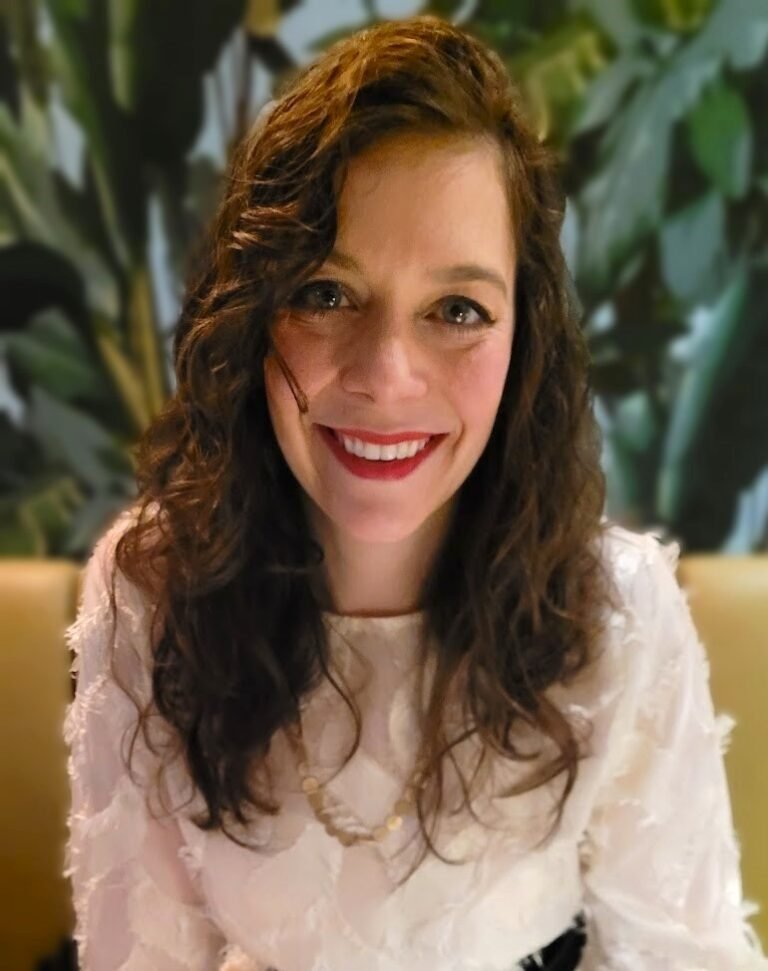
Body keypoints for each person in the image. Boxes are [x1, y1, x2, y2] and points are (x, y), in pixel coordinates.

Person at [63, 14, 767, 971]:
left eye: (458, 310)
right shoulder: (149, 591)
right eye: (325, 292)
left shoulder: (617, 614)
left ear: (523, 341)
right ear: (253, 312)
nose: (387, 376)